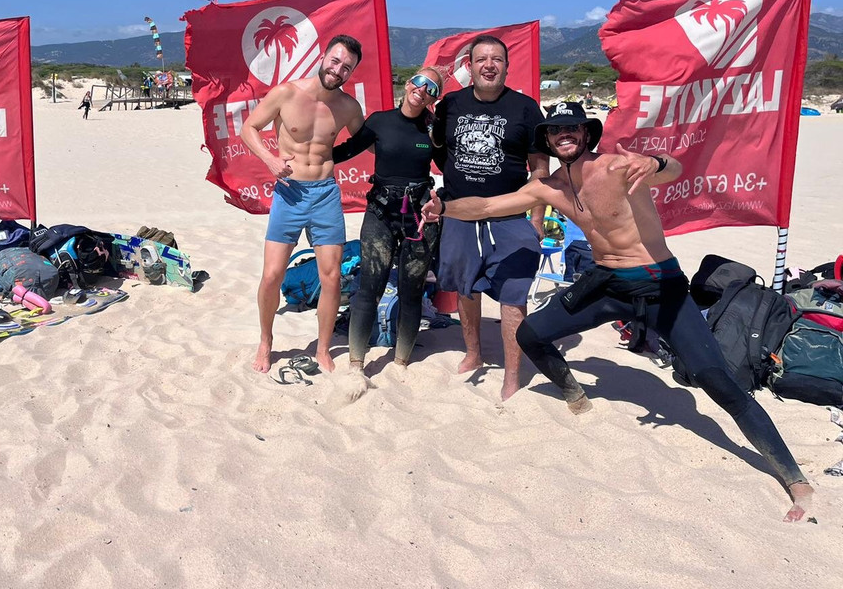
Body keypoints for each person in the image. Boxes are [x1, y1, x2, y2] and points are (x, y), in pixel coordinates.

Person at [421, 101, 813, 521]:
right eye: (556, 130)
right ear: (548, 141)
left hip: (660, 284)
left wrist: (656, 159)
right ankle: (574, 394)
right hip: (606, 284)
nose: (565, 134)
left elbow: (675, 170)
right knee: (531, 333)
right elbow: (483, 207)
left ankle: (795, 481)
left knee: (714, 379)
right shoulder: (547, 187)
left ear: (586, 134)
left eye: (573, 127)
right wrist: (443, 209)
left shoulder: (618, 167)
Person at [431, 35, 549, 400]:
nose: (489, 65)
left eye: (496, 59)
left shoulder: (526, 109)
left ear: (507, 66)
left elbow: (540, 168)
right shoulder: (449, 105)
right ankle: (474, 353)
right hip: (461, 214)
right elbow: (437, 151)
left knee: (513, 294)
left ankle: (512, 374)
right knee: (466, 287)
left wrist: (537, 217)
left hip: (510, 215)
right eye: (481, 58)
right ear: (470, 65)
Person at [241, 35, 365, 374]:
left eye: (346, 67)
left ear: (351, 72)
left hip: (325, 194)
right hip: (289, 194)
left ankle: (323, 348)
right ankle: (266, 341)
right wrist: (268, 158)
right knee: (271, 276)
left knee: (331, 278)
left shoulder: (348, 107)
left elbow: (368, 139)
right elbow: (249, 127)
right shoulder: (286, 93)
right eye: (335, 61)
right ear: (323, 57)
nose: (338, 70)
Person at [332, 66, 444, 386]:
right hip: (380, 213)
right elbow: (346, 151)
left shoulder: (434, 130)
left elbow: (453, 168)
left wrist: (442, 202)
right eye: (420, 83)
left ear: (434, 98)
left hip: (419, 220)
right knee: (370, 287)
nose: (423, 90)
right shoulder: (380, 120)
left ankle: (401, 362)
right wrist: (310, 158)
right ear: (409, 84)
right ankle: (356, 363)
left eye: (432, 89)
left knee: (411, 291)